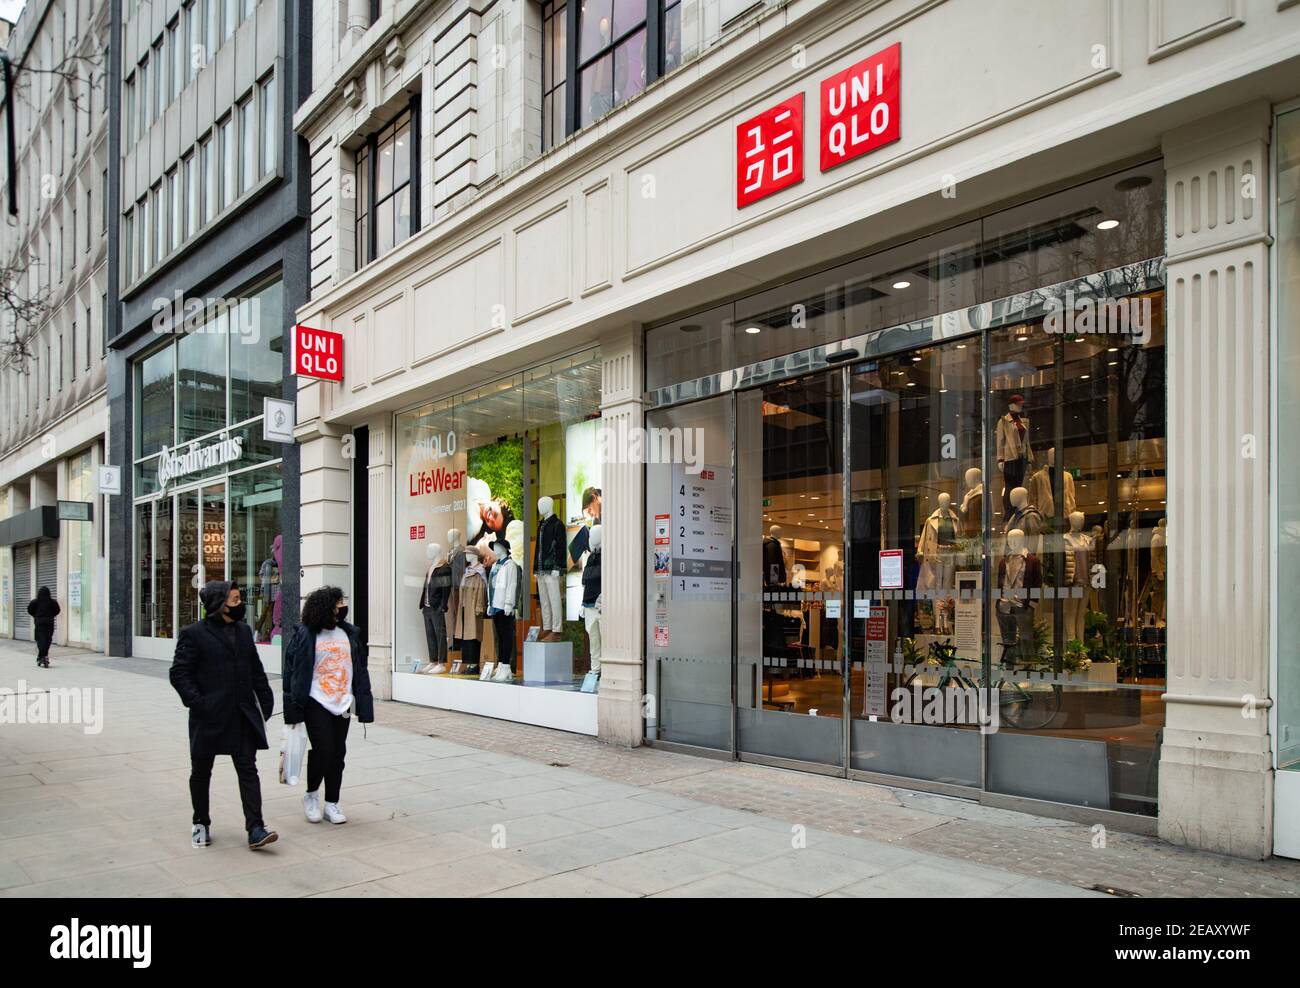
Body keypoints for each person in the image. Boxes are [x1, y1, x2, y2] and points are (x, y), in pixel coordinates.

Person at [168, 581, 278, 850]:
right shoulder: (193, 634)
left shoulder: (243, 631)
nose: (240, 604)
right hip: (209, 717)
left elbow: (256, 669)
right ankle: (200, 822)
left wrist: (265, 701)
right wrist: (199, 703)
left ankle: (255, 828)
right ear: (219, 604)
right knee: (201, 772)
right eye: (236, 599)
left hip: (241, 715)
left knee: (248, 770)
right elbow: (179, 673)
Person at [282, 587, 374, 826]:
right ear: (325, 607)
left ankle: (332, 802)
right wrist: (292, 708)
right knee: (324, 750)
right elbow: (292, 671)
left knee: (338, 753)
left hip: (343, 702)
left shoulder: (349, 634)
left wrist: (363, 703)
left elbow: (360, 670)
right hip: (316, 700)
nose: (342, 607)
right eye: (338, 603)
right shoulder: (306, 634)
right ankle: (311, 795)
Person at [27, 586, 60, 668]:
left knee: (40, 639)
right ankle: (44, 656)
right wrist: (51, 615)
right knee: (48, 639)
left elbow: (29, 610)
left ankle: (42, 656)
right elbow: (57, 610)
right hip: (49, 623)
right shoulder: (53, 602)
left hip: (39, 623)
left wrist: (36, 616)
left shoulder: (35, 602)